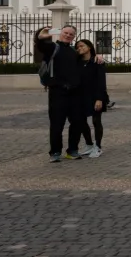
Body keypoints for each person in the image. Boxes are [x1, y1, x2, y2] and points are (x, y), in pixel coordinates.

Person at [35, 25, 90, 162]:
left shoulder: (74, 52)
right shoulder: (53, 48)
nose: (68, 35)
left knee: (77, 123)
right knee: (57, 124)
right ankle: (55, 152)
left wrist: (98, 58)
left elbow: (88, 59)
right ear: (61, 34)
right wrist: (41, 36)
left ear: (74, 36)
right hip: (57, 92)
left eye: (71, 34)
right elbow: (42, 46)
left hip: (75, 92)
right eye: (66, 33)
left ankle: (72, 150)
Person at [74, 39, 108, 158]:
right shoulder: (76, 62)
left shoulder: (97, 61)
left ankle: (98, 147)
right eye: (77, 47)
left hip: (96, 95)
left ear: (89, 47)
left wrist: (99, 98)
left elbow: (101, 81)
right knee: (81, 121)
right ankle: (89, 144)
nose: (79, 48)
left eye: (82, 46)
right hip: (80, 95)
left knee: (96, 121)